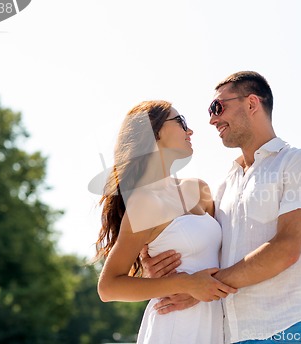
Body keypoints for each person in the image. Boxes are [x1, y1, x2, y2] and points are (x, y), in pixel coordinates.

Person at [141, 71, 301, 344]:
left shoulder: (299, 163)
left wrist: (201, 287)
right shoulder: (223, 186)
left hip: (285, 329)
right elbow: (203, 246)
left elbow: (287, 250)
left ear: (252, 103)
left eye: (218, 107)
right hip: (226, 334)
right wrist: (155, 269)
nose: (212, 119)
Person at [95, 100, 237, 344]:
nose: (190, 131)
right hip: (173, 327)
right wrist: (183, 283)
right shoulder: (144, 203)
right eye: (181, 122)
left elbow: (227, 254)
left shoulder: (199, 188)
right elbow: (108, 287)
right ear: (154, 132)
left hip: (216, 324)